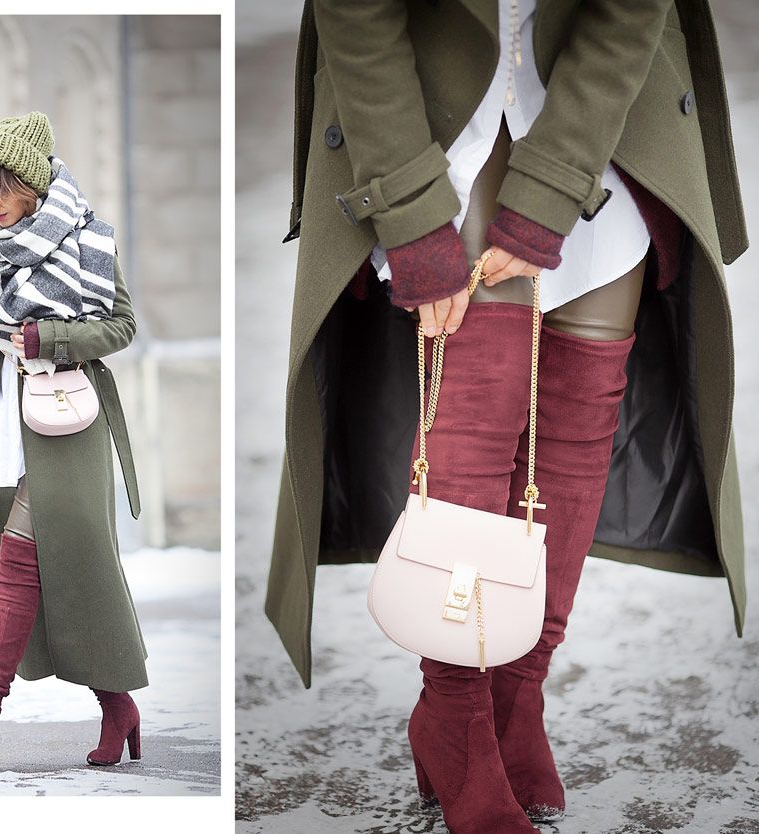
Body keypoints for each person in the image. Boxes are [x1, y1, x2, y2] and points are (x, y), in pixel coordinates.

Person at [266, 1, 748, 831]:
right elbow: (356, 14)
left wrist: (554, 186)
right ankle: (455, 710)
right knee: (473, 412)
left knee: (581, 409)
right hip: (430, 117)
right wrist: (414, 215)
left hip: (600, 114)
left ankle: (517, 694)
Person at [0, 111, 146, 775]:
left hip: (68, 425)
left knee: (29, 564)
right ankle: (116, 706)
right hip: (6, 423)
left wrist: (49, 339)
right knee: (50, 573)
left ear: (29, 184)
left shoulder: (89, 242)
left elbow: (120, 327)